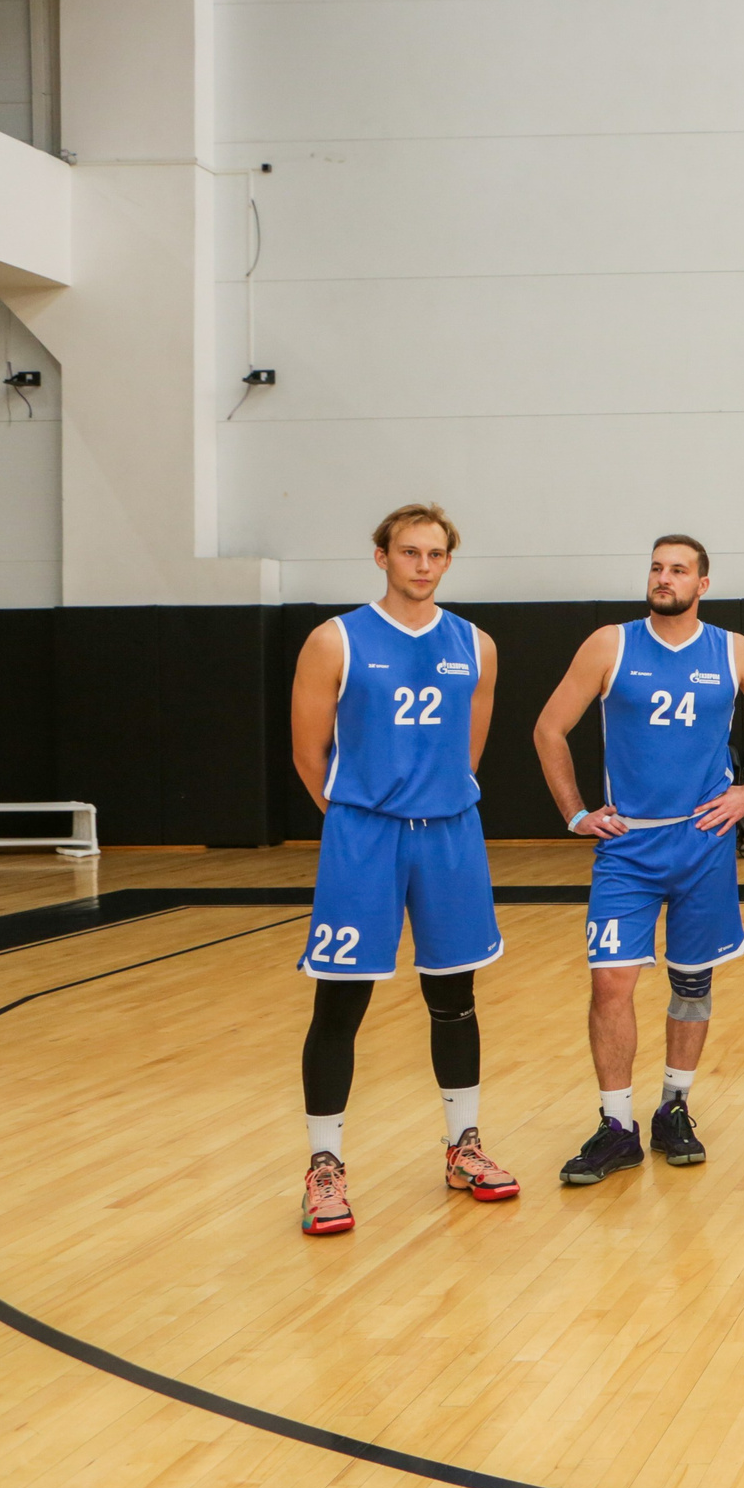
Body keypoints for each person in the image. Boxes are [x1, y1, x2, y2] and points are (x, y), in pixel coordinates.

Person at [534, 535, 744, 1183]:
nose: (664, 577)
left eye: (678, 569)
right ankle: (615, 1124)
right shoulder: (610, 643)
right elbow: (549, 727)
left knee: (692, 983)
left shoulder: (733, 650)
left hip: (702, 841)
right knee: (612, 980)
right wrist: (575, 811)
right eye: (657, 567)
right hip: (628, 845)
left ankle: (674, 1106)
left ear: (702, 584)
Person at [290, 503, 516, 1236]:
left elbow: (470, 748)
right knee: (341, 1004)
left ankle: (464, 1146)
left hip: (449, 833)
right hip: (364, 833)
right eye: (409, 551)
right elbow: (308, 752)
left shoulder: (475, 644)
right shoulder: (335, 639)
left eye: (435, 553)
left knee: (455, 995)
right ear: (381, 556)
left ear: (448, 560)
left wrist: (433, 800)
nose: (422, 563)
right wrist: (357, 819)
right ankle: (325, 1166)